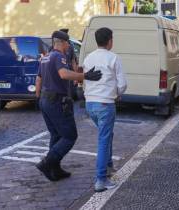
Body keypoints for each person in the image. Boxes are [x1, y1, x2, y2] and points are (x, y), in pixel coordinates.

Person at [35, 30, 102, 181]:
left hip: (45, 100)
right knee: (70, 136)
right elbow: (64, 74)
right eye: (68, 44)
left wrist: (39, 99)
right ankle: (48, 162)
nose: (68, 47)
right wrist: (85, 76)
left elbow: (38, 79)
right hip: (57, 101)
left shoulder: (45, 58)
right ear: (63, 43)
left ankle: (55, 169)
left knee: (56, 135)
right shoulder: (59, 56)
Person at [82, 27, 127, 192]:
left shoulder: (88, 58)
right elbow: (122, 84)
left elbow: (85, 80)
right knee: (104, 139)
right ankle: (101, 180)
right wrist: (117, 94)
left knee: (107, 135)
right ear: (109, 40)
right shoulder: (114, 58)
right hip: (105, 104)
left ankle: (108, 166)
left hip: (90, 104)